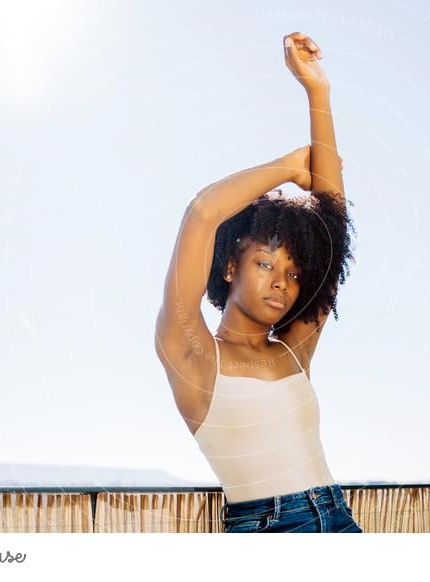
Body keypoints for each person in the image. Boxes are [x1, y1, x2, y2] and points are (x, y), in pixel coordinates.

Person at [155, 32, 360, 533]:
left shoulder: (294, 351)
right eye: (266, 264)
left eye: (293, 272)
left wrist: (317, 92)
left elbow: (332, 222)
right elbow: (202, 214)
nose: (282, 283)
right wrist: (286, 168)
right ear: (229, 267)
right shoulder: (193, 355)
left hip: (339, 518)